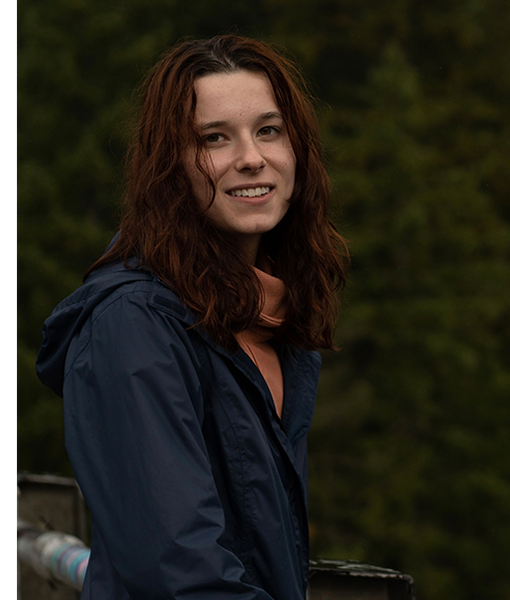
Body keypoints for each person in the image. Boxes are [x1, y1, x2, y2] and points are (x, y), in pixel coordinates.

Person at [36, 35, 349, 600]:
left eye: (268, 130)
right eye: (214, 138)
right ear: (170, 166)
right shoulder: (132, 326)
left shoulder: (276, 322)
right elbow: (179, 574)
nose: (251, 157)